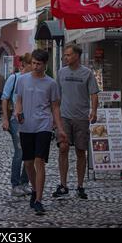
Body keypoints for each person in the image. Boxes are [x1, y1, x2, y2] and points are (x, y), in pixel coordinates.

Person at [15, 49, 67, 215]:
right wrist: (18, 111)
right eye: (34, 63)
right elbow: (19, 100)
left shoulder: (51, 84)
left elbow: (55, 107)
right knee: (29, 163)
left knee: (39, 161)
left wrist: (59, 128)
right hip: (26, 126)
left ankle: (38, 199)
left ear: (45, 65)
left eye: (39, 64)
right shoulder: (22, 80)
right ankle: (35, 190)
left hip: (43, 125)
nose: (35, 67)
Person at [53, 43, 99, 200]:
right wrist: (55, 117)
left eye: (69, 55)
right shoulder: (61, 73)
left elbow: (93, 93)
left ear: (77, 56)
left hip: (81, 118)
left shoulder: (87, 73)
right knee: (63, 148)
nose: (66, 57)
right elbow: (56, 97)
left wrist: (94, 111)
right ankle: (63, 184)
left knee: (81, 151)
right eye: (65, 55)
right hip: (64, 117)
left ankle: (80, 185)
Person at [2, 66, 30, 197]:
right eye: (32, 64)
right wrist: (5, 119)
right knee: (20, 152)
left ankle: (25, 182)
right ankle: (15, 184)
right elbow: (5, 98)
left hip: (30, 120)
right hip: (15, 119)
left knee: (29, 153)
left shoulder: (33, 79)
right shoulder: (14, 78)